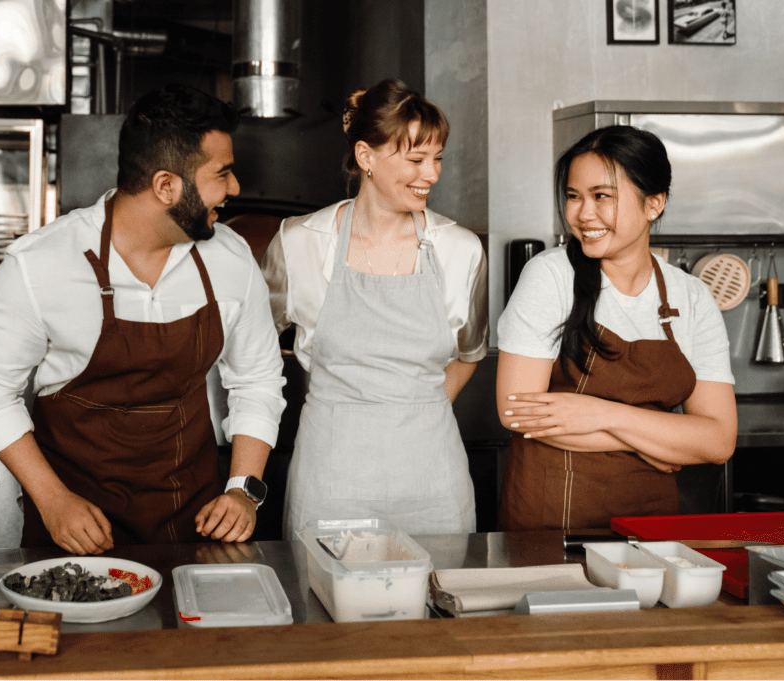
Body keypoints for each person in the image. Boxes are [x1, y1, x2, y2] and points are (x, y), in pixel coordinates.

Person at [0, 84, 286, 554]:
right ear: (167, 185)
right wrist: (52, 501)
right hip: (74, 528)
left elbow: (256, 381)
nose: (234, 188)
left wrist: (242, 489)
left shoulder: (229, 259)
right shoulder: (42, 264)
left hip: (193, 521)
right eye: (223, 173)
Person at [262, 79, 488, 538]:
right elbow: (254, 351)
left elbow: (470, 353)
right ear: (366, 157)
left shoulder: (460, 250)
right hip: (330, 484)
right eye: (416, 159)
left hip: (434, 485)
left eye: (437, 158)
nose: (433, 174)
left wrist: (411, 409)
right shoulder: (299, 242)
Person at [496, 125, 736, 531]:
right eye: (574, 197)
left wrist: (598, 413)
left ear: (653, 204)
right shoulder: (550, 276)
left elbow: (718, 441)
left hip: (652, 528)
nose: (583, 214)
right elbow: (516, 411)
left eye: (601, 196)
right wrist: (657, 442)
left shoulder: (692, 297)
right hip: (551, 522)